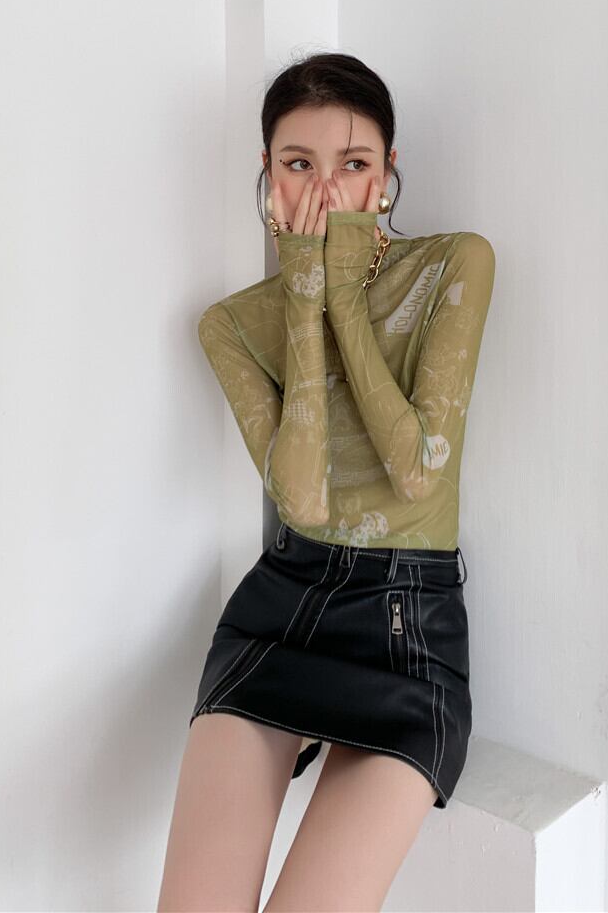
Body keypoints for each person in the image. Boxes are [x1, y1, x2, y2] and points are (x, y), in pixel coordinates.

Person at [157, 52, 496, 912]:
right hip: (281, 609)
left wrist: (342, 297)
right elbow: (303, 502)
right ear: (267, 177)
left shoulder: (454, 264)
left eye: (353, 164)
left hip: (405, 630)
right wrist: (305, 293)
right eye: (299, 164)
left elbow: (415, 474)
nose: (326, 189)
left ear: (388, 174)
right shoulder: (232, 324)